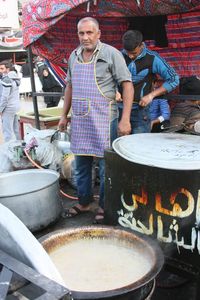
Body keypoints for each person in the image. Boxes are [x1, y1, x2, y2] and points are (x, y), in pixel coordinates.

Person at [58, 17, 133, 223]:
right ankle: (84, 202)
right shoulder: (74, 56)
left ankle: (105, 206)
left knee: (106, 167)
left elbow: (127, 85)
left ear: (98, 34)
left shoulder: (111, 54)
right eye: (81, 33)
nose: (85, 37)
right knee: (81, 165)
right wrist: (64, 115)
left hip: (104, 118)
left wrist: (125, 119)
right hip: (81, 119)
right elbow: (70, 87)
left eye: (90, 33)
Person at [118, 30, 179, 133]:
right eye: (127, 53)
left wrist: (151, 95)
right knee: (117, 145)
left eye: (134, 53)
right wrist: (114, 91)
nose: (130, 56)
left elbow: (174, 79)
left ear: (141, 45)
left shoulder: (153, 58)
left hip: (141, 111)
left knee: (140, 144)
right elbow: (105, 78)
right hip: (118, 108)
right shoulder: (117, 56)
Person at [0, 60, 21, 142]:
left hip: (8, 108)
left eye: (2, 69)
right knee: (16, 130)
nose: (0, 71)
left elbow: (5, 97)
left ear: (8, 69)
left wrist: (0, 109)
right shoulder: (15, 77)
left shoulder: (6, 79)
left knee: (7, 132)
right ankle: (19, 147)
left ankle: (8, 151)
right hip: (15, 107)